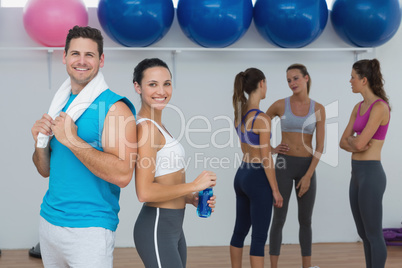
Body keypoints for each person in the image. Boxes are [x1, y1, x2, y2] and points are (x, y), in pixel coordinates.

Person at [31, 26, 137, 267]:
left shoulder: (114, 108)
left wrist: (73, 140)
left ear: (101, 60)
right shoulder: (60, 104)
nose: (81, 61)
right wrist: (40, 142)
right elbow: (45, 170)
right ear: (64, 57)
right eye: (75, 54)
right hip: (49, 221)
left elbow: (122, 174)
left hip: (90, 229)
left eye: (89, 55)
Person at [132, 58, 217, 268]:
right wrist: (194, 185)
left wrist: (190, 197)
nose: (161, 91)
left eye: (166, 83)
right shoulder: (147, 129)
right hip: (157, 225)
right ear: (137, 87)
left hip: (174, 226)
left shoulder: (158, 126)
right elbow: (144, 192)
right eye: (152, 84)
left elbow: (163, 180)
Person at [266, 64, 325, 268]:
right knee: (279, 218)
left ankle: (307, 267)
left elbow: (320, 146)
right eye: (289, 80)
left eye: (296, 78)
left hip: (307, 167)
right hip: (283, 164)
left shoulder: (318, 109)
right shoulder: (280, 105)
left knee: (305, 220)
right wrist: (272, 149)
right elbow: (259, 126)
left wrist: (308, 175)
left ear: (306, 78)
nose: (292, 83)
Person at [230, 68, 283, 268]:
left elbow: (251, 144)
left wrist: (272, 148)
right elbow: (265, 159)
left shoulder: (239, 114)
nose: (266, 87)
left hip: (242, 174)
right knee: (259, 237)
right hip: (257, 178)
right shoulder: (262, 118)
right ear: (261, 84)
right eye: (266, 83)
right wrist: (276, 190)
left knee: (239, 231)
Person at [339, 59, 390, 268]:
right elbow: (343, 142)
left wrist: (355, 142)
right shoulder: (358, 107)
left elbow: (358, 142)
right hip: (356, 175)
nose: (350, 80)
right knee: (363, 233)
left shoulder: (380, 107)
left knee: (373, 234)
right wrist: (355, 142)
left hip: (371, 175)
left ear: (364, 80)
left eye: (353, 76)